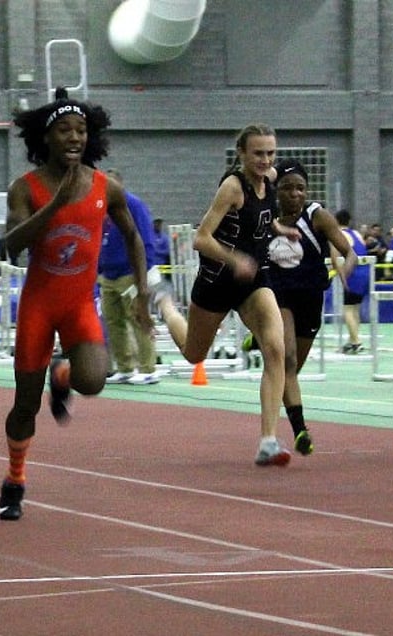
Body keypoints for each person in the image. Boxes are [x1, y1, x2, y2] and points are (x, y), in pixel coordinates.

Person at [0, 88, 153, 520]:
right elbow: (11, 246)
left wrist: (142, 292)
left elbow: (135, 237)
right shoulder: (25, 188)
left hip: (80, 304)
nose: (74, 138)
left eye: (81, 130)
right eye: (64, 129)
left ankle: (61, 373)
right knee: (25, 406)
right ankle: (15, 478)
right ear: (45, 138)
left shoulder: (106, 187)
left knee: (93, 382)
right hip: (38, 308)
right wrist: (57, 205)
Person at [154, 123, 293, 466]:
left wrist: (280, 230)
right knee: (193, 354)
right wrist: (234, 259)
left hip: (253, 280)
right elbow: (201, 238)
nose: (264, 160)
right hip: (218, 279)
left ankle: (269, 441)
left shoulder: (271, 180)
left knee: (276, 349)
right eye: (257, 153)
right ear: (242, 154)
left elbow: (262, 219)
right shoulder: (232, 187)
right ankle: (165, 304)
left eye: (270, 153)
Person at [266, 160, 358, 454]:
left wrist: (345, 268)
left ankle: (260, 339)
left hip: (310, 297)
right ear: (275, 190)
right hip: (277, 296)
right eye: (287, 188)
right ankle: (300, 430)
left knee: (291, 369)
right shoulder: (266, 218)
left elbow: (349, 251)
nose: (295, 194)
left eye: (300, 188)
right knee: (287, 359)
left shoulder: (317, 216)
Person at [99, 168, 159, 385]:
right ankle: (125, 367)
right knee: (113, 321)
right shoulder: (101, 207)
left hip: (130, 273)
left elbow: (145, 238)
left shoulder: (133, 204)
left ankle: (148, 368)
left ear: (119, 185)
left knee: (139, 318)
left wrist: (143, 274)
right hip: (108, 274)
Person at [333, 208, 369, 354]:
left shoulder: (340, 235)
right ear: (349, 221)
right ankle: (352, 339)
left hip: (352, 273)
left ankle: (356, 341)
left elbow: (336, 254)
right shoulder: (357, 234)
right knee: (355, 308)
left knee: (347, 309)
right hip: (365, 273)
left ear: (336, 221)